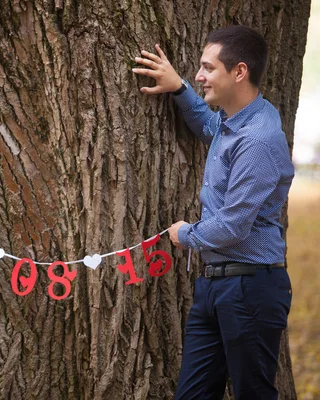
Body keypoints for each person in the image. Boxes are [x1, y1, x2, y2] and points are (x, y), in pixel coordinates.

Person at [133, 26, 294, 399]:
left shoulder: (258, 140)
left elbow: (233, 226)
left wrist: (184, 234)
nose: (199, 75)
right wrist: (179, 89)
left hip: (249, 289)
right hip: (214, 286)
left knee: (253, 394)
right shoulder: (238, 119)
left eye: (208, 68)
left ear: (239, 72)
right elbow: (210, 127)